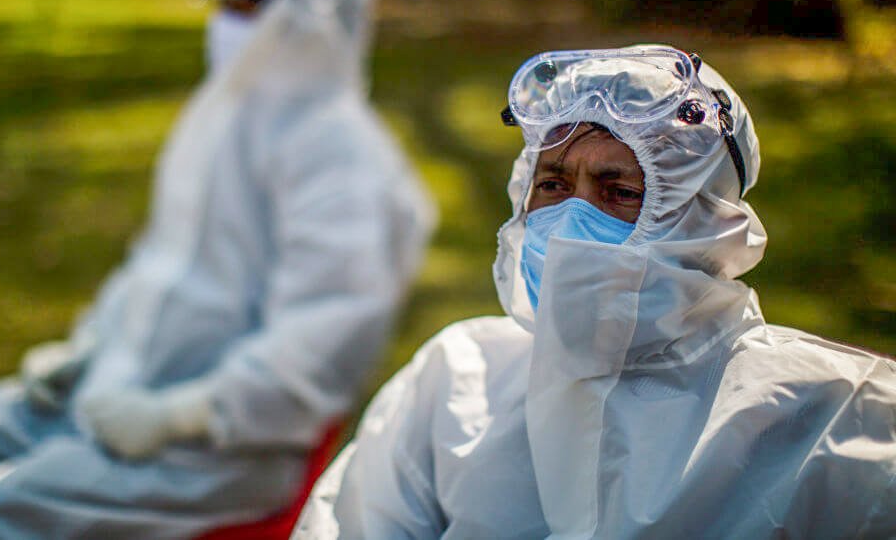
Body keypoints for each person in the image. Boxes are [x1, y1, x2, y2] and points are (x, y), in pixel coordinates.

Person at [0, 0, 436, 540]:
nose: (226, 1)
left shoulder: (342, 157)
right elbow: (163, 262)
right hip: (122, 383)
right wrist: (90, 347)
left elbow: (321, 343)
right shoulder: (221, 115)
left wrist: (182, 414)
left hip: (224, 444)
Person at [293, 46, 896, 539]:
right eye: (552, 185)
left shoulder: (829, 416)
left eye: (620, 192)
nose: (572, 222)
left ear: (704, 223)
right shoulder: (458, 381)